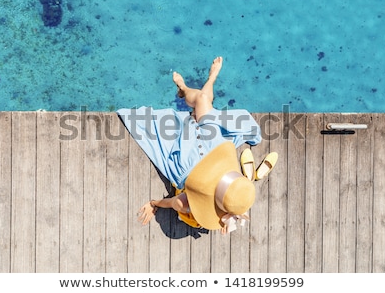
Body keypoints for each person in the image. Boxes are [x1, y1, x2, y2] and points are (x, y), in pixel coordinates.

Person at [117, 57, 276, 234]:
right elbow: (235, 195)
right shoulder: (233, 193)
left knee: (200, 103)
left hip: (190, 161)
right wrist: (154, 203)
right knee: (202, 99)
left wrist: (154, 204)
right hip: (216, 154)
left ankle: (187, 88)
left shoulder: (192, 198)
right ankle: (205, 80)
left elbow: (174, 203)